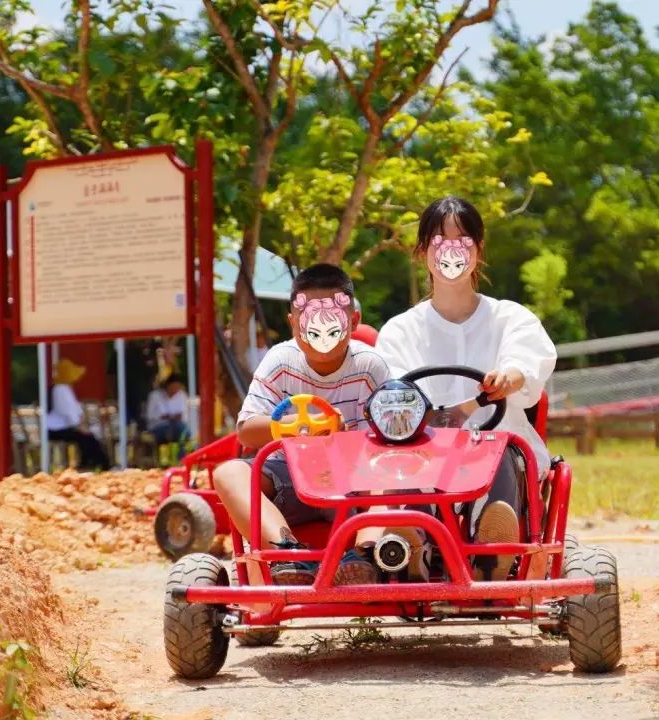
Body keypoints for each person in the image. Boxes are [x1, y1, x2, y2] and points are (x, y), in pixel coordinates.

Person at [374, 196, 557, 581]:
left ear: (478, 250)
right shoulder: (400, 330)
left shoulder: (510, 318)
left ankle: (492, 552)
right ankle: (413, 547)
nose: (451, 251)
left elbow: (527, 359)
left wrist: (511, 376)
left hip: (496, 442)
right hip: (424, 450)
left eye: (463, 241)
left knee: (502, 448)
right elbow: (393, 393)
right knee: (411, 456)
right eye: (440, 241)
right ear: (423, 251)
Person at [213, 263, 392, 586]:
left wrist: (346, 436)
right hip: (291, 479)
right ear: (294, 323)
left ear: (352, 322)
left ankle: (364, 555)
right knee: (228, 472)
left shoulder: (370, 366)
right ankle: (286, 553)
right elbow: (247, 429)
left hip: (352, 481)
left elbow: (389, 437)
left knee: (390, 474)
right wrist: (291, 426)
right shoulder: (281, 361)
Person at [46, 358, 111, 471]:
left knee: (86, 438)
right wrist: (79, 425)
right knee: (86, 438)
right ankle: (101, 464)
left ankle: (88, 463)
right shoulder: (61, 389)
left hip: (61, 427)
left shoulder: (62, 388)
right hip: (57, 429)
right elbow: (68, 411)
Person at [146, 373, 189, 444]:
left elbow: (184, 415)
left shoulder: (182, 395)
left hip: (178, 426)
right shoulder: (155, 396)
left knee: (183, 432)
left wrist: (174, 417)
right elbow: (149, 415)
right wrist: (162, 417)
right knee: (172, 432)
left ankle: (182, 454)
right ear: (168, 385)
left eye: (177, 388)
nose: (175, 390)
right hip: (159, 427)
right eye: (173, 387)